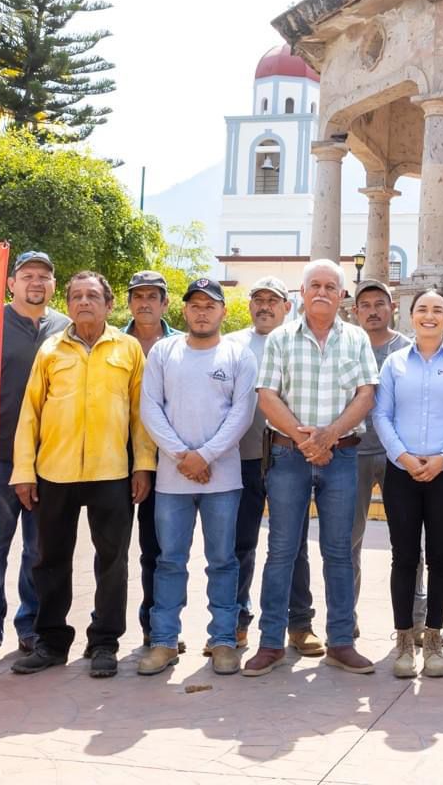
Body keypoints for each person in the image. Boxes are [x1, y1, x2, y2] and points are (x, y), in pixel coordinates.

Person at [10, 271, 155, 678]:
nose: (84, 302)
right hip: (54, 471)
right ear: (68, 305)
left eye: (93, 296)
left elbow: (140, 415)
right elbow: (30, 414)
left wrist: (143, 465)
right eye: (76, 296)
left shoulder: (127, 349)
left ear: (110, 305)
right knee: (49, 559)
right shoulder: (51, 350)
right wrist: (25, 471)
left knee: (112, 561)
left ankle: (104, 642)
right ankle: (51, 642)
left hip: (112, 471)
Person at [244, 259, 379, 677]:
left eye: (330, 286)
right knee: (282, 550)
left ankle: (341, 641)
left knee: (339, 551)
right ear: (301, 294)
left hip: (341, 457)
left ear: (342, 296)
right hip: (288, 457)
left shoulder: (355, 339)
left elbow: (366, 395)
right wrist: (308, 440)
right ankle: (270, 643)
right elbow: (267, 396)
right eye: (314, 285)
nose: (322, 292)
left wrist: (329, 436)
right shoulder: (281, 339)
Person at [137, 279, 257, 676]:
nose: (202, 311)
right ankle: (164, 642)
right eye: (195, 305)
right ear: (184, 311)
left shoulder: (238, 356)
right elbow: (151, 408)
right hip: (172, 481)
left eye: (211, 305)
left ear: (223, 312)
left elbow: (241, 414)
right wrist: (181, 456)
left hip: (222, 480)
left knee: (223, 561)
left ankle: (224, 640)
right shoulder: (163, 353)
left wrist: (203, 456)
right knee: (169, 561)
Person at [372, 287, 443, 677]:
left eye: (437, 309)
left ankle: (433, 641)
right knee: (403, 558)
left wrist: (442, 458)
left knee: (440, 557)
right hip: (401, 474)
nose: (429, 315)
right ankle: (405, 641)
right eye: (422, 309)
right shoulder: (395, 364)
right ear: (411, 315)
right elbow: (381, 415)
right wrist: (403, 457)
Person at [227, 277, 318, 655]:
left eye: (273, 300)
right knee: (240, 543)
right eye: (258, 299)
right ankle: (235, 621)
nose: (265, 306)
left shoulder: (303, 342)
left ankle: (300, 624)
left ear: (287, 306)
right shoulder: (232, 345)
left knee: (293, 544)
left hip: (289, 455)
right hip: (243, 458)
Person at [0, 250, 69, 660]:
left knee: (40, 552)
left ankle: (32, 627)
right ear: (11, 283)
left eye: (43, 275)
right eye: (26, 275)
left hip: (49, 460)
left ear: (53, 285)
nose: (35, 282)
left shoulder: (65, 329)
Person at [349, 279, 423, 636]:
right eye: (366, 305)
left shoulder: (407, 349)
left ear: (392, 308)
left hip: (399, 456)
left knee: (407, 541)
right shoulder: (346, 346)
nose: (373, 310)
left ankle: (415, 620)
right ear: (355, 311)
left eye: (380, 303)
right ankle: (345, 619)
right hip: (354, 453)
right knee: (349, 540)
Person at [122, 270, 179, 649]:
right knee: (111, 550)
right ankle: (105, 632)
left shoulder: (181, 345)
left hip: (168, 459)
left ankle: (156, 627)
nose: (144, 302)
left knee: (157, 549)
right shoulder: (113, 342)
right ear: (128, 303)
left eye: (152, 296)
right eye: (137, 296)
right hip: (115, 457)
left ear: (165, 303)